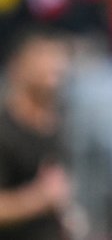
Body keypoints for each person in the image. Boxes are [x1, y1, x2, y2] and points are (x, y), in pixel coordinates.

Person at [0, 26, 73, 239]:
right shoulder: (5, 131)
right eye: (43, 54)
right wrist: (39, 198)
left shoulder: (61, 125)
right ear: (17, 66)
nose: (55, 64)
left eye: (57, 55)